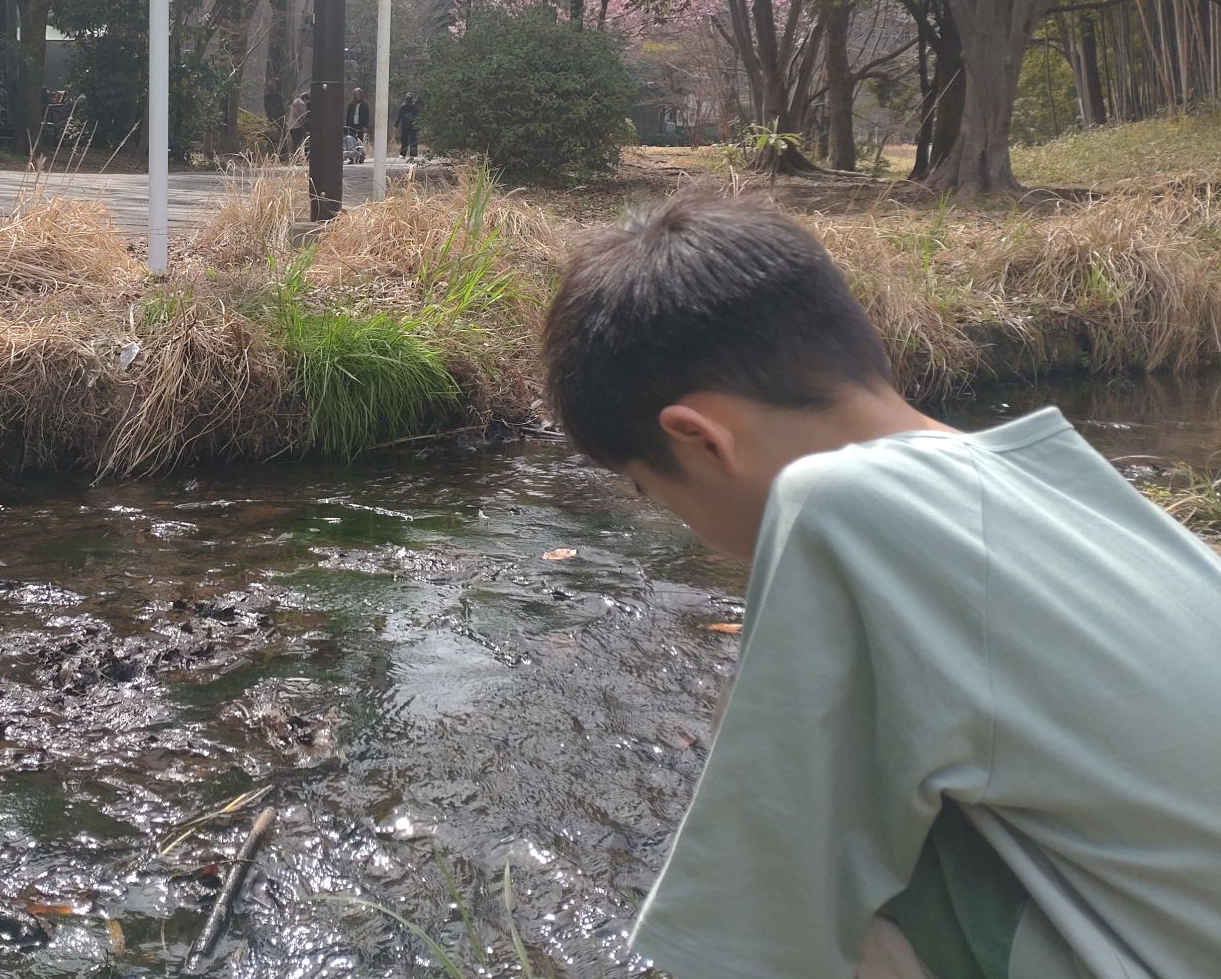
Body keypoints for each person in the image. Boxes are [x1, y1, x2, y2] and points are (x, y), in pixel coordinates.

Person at [539, 197, 1221, 979]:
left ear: (700, 439)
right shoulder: (1064, 482)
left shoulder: (838, 503)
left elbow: (753, 932)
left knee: (811, 859)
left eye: (650, 490)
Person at [343, 86, 370, 150]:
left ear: (361, 95)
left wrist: (365, 126)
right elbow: (348, 116)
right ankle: (352, 152)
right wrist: (347, 126)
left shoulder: (365, 105)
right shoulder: (351, 105)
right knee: (351, 139)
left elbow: (366, 116)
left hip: (360, 125)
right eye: (356, 94)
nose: (357, 96)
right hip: (352, 125)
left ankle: (360, 153)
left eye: (359, 94)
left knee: (360, 140)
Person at [394, 94, 419, 160]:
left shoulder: (414, 107)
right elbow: (399, 116)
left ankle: (412, 155)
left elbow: (418, 116)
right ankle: (403, 154)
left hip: (412, 126)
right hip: (406, 126)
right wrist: (396, 125)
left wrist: (417, 125)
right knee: (405, 141)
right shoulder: (403, 106)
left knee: (413, 141)